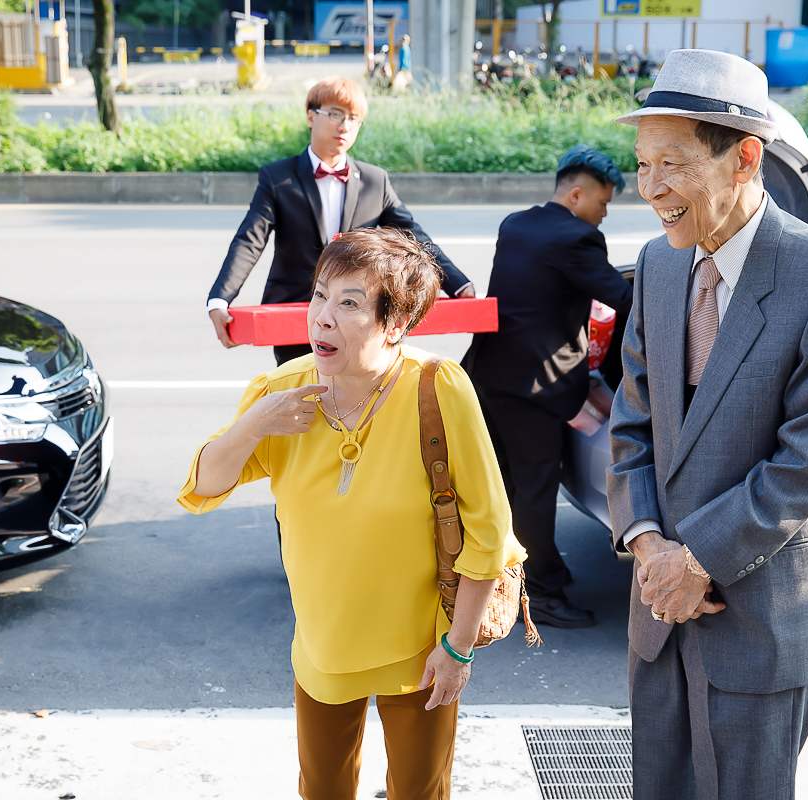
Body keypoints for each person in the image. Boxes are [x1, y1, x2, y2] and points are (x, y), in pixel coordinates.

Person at [605, 49, 808, 799]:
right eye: (642, 162)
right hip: (659, 610)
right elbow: (632, 426)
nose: (651, 187)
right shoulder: (658, 266)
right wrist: (651, 544)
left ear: (744, 159)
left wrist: (696, 560)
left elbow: (805, 463)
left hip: (762, 619)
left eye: (673, 163)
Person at [179, 228, 524, 800]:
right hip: (324, 648)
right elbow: (204, 486)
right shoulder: (281, 392)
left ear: (395, 325)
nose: (322, 317)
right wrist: (252, 425)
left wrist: (459, 648)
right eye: (319, 295)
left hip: (423, 650)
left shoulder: (438, 390)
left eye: (350, 302)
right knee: (323, 789)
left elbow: (489, 532)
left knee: (419, 790)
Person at [462, 145, 633, 628]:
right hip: (535, 387)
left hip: (490, 376)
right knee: (535, 492)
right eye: (602, 204)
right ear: (577, 195)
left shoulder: (516, 224)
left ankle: (524, 574)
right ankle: (539, 596)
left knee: (510, 488)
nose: (603, 215)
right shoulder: (578, 238)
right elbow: (620, 296)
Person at [207, 76, 473, 366]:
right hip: (297, 314)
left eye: (354, 119)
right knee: (301, 401)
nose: (344, 126)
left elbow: (414, 237)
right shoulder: (278, 177)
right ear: (311, 115)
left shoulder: (375, 181)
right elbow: (250, 239)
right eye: (335, 114)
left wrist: (458, 285)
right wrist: (221, 299)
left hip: (358, 317)